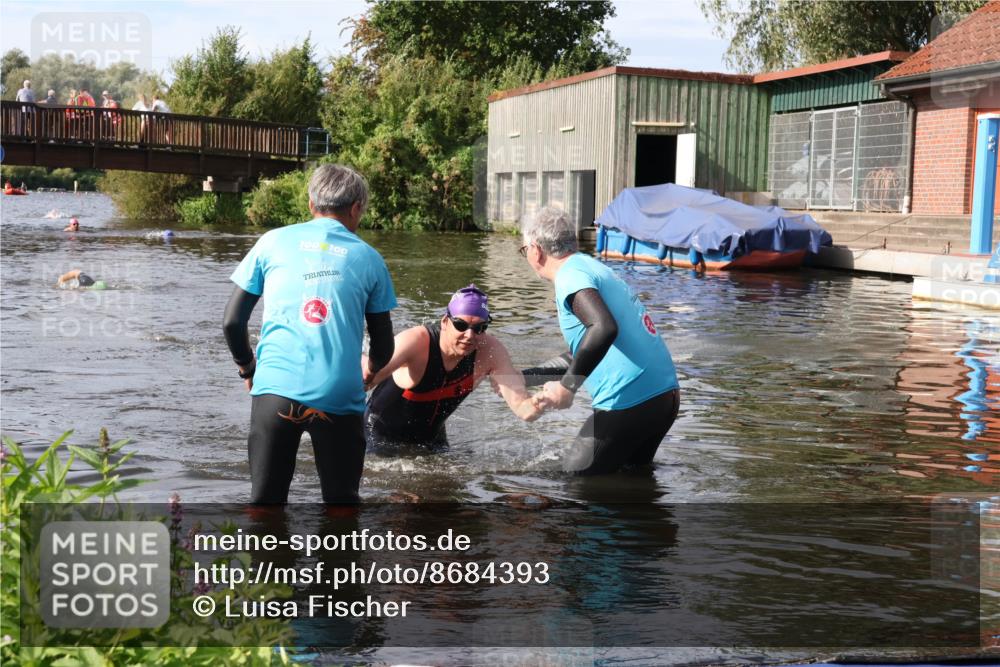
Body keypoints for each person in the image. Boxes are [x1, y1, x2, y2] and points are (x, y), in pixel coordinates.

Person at [223, 164, 397, 505]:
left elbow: (231, 322)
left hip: (274, 389)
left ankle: (267, 557)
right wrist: (371, 372)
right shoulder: (369, 258)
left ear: (310, 203)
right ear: (356, 208)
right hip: (339, 394)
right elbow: (383, 342)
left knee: (264, 504)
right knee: (342, 505)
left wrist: (248, 368)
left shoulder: (271, 242)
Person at [521, 206, 681, 475]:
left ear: (536, 250)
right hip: (663, 397)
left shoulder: (570, 276)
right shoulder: (589, 266)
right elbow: (585, 350)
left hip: (631, 400)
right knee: (632, 482)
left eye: (523, 250)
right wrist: (523, 378)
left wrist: (568, 387)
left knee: (574, 482)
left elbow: (603, 329)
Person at [364, 284, 545, 454]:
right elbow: (367, 378)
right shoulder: (416, 342)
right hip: (378, 436)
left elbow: (523, 409)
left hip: (432, 442)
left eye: (479, 328)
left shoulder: (491, 351)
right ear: (445, 321)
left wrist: (543, 400)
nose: (469, 335)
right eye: (461, 325)